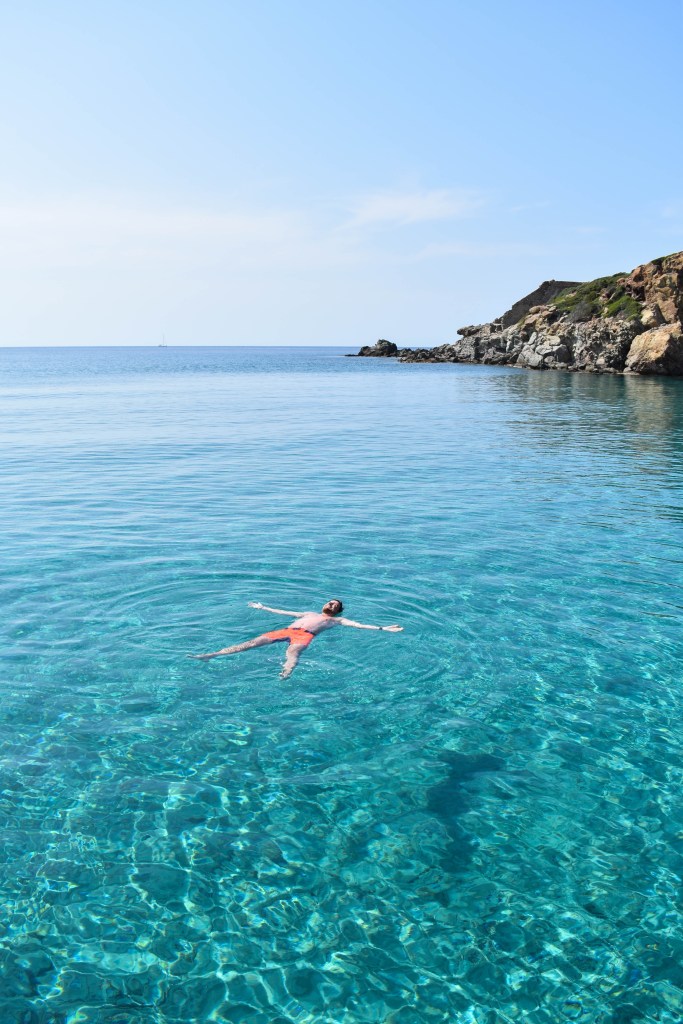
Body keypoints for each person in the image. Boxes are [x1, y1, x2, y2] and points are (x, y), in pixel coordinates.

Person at [188, 599, 403, 678]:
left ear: (337, 612)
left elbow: (359, 625)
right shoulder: (309, 613)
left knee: (292, 653)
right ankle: (211, 655)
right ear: (324, 605)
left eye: (334, 606)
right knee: (251, 643)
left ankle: (286, 672)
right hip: (286, 630)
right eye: (329, 603)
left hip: (305, 636)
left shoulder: (338, 621)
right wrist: (263, 607)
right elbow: (284, 612)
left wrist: (383, 628)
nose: (330, 605)